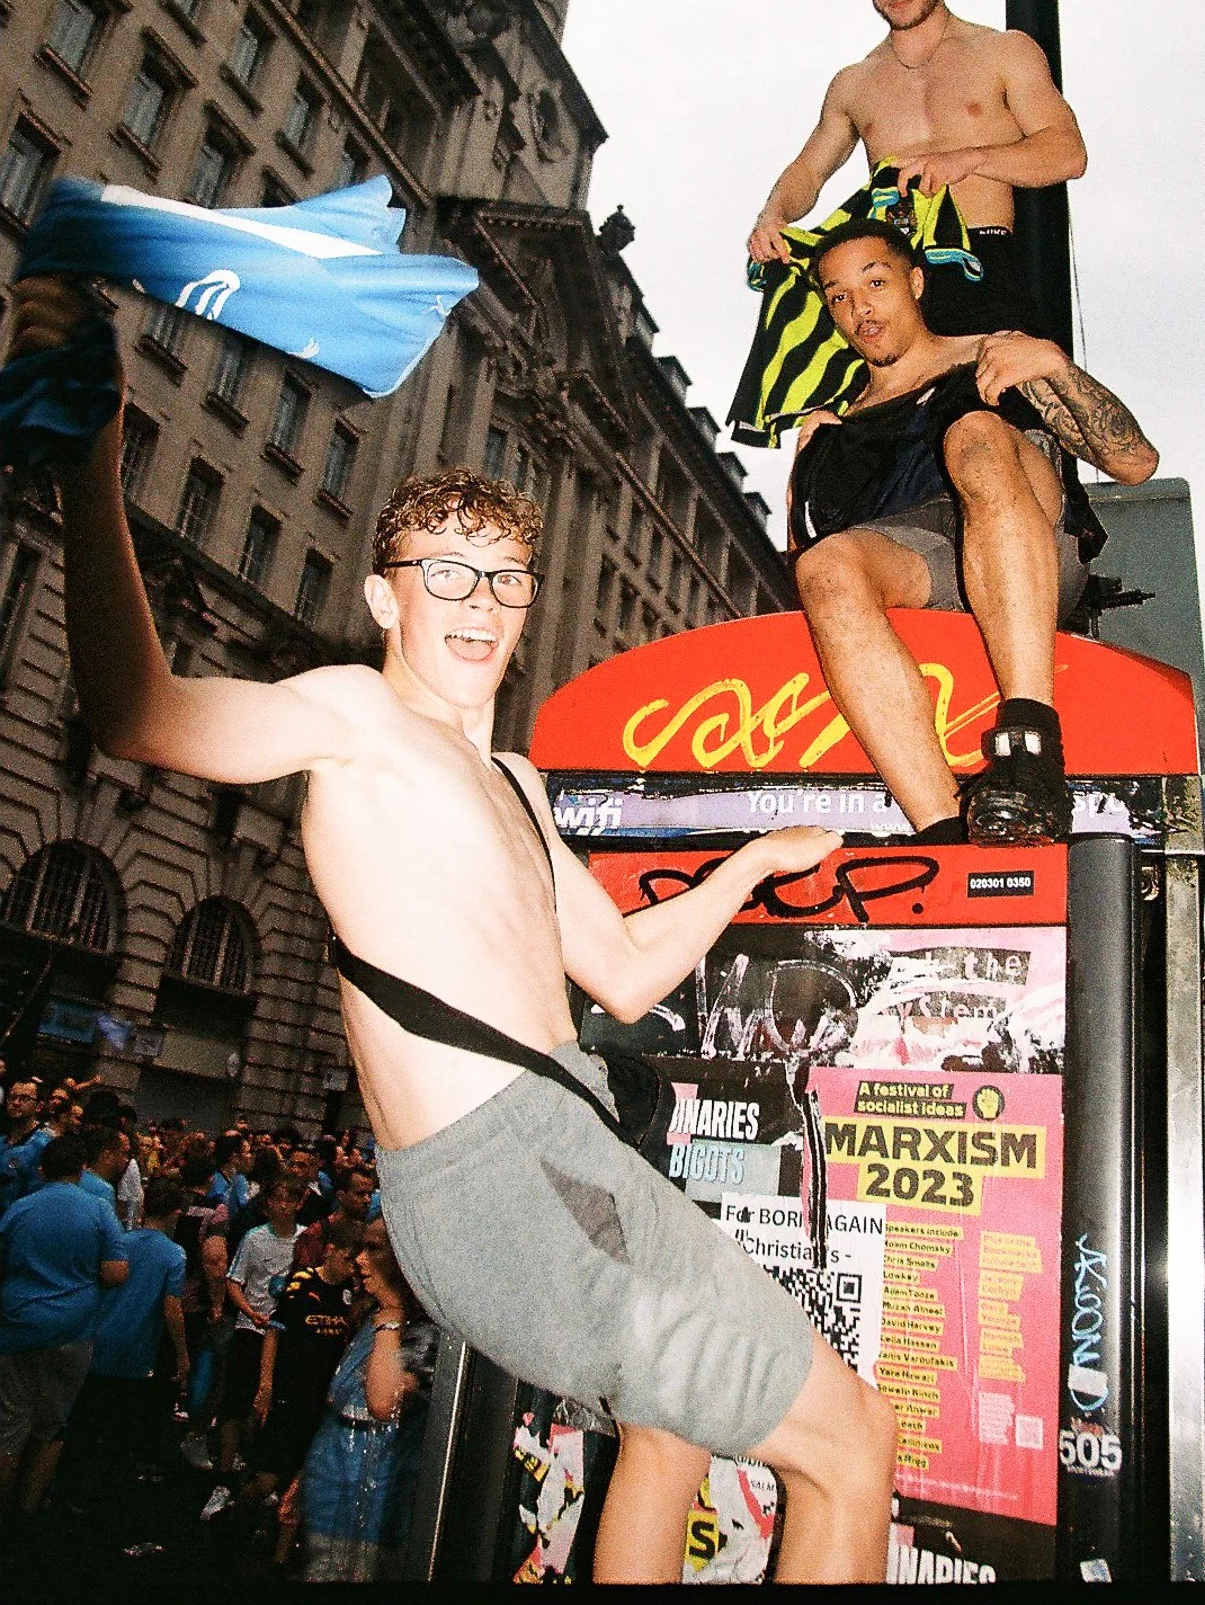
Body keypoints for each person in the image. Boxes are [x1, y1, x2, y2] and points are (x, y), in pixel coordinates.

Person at [10, 275, 897, 1585]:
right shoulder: (353, 717)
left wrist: (748, 866)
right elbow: (139, 708)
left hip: (570, 1154)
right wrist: (92, 455)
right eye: (445, 574)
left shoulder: (523, 787)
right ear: (386, 601)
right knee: (855, 1442)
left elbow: (628, 969)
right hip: (515, 1172)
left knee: (662, 1434)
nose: (480, 602)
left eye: (505, 578)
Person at [788, 223, 1157, 842]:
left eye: (874, 283)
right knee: (824, 567)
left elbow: (1135, 463)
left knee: (974, 434)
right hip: (920, 564)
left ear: (915, 282)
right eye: (840, 296)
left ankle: (1031, 743)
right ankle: (940, 827)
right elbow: (808, 576)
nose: (860, 309)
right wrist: (805, 473)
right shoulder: (836, 425)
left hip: (1025, 534)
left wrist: (1057, 369)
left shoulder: (995, 356)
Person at [734, 0, 1088, 446]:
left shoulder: (1003, 52)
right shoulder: (855, 82)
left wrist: (969, 159)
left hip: (983, 265)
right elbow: (808, 170)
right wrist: (771, 215)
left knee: (1002, 425)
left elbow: (1068, 153)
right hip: (895, 275)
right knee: (874, 442)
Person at [288, 1219, 438, 1582]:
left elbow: (384, 1402)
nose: (359, 1260)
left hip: (378, 1514)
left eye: (375, 1249)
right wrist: (304, 1476)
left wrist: (393, 1313)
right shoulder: (367, 1317)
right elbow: (339, 1405)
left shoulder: (427, 1331)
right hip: (330, 1493)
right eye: (361, 1248)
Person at [0, 1130, 128, 1516]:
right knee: (53, 1426)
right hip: (73, 1330)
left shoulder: (20, 1208)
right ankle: (29, 1508)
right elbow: (117, 1271)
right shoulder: (99, 1209)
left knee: (9, 1424)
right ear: (82, 1169)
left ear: (41, 1168)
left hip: (18, 1328)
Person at [59, 1174, 189, 1525]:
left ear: (145, 1205)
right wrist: (182, 1354)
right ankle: (104, 1502)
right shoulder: (174, 1254)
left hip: (96, 1343)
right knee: (120, 1431)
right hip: (135, 1355)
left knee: (83, 1423)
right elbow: (171, 1310)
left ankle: (64, 1490)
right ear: (176, 1212)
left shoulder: (120, 1241)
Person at [246, 1218, 358, 1507]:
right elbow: (274, 1333)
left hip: (324, 1398)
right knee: (265, 1477)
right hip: (289, 1391)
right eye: (347, 1260)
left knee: (303, 1478)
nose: (351, 1268)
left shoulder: (353, 1293)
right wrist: (265, 1384)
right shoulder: (301, 1283)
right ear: (331, 1250)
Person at [210, 1176, 305, 1498]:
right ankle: (223, 1472)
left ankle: (257, 1466)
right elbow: (234, 1281)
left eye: (290, 1200)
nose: (284, 1206)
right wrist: (250, 1313)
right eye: (278, 1199)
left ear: (298, 1203)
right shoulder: (253, 1239)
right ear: (268, 1205)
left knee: (272, 1405)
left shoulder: (306, 1241)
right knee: (235, 1402)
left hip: (285, 1336)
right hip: (251, 1330)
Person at [0, 1081, 51, 1212]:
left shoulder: (45, 1145)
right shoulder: (2, 1140)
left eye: (24, 1099)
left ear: (39, 1106)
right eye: (12, 1097)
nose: (16, 1103)